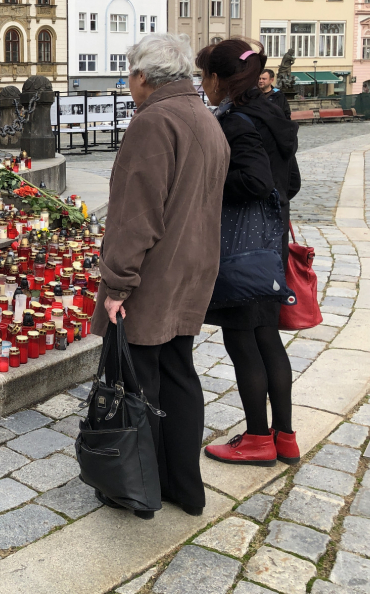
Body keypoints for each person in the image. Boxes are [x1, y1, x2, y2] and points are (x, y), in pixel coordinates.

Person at [91, 33, 230, 518]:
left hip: (155, 275)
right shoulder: (204, 118)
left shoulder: (154, 121)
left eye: (129, 75)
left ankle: (139, 489)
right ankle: (184, 487)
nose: (129, 85)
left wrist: (117, 284)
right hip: (192, 268)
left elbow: (136, 216)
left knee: (139, 386)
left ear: (143, 77)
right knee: (179, 377)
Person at [196, 39, 302, 467]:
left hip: (242, 249)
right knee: (267, 337)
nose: (203, 84)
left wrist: (210, 189)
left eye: (204, 76)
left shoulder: (237, 121)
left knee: (243, 339)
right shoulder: (272, 113)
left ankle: (258, 438)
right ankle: (285, 436)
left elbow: (255, 182)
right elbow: (288, 183)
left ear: (219, 79)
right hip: (268, 244)